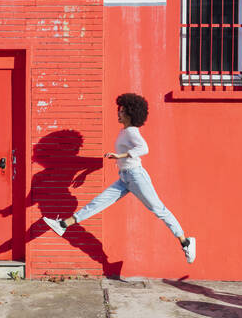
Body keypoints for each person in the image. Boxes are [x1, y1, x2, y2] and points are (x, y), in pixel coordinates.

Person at [43, 93, 196, 264]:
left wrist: (120, 155)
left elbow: (144, 148)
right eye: (119, 110)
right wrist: (86, 172)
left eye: (122, 111)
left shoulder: (131, 132)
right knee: (98, 202)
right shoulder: (123, 131)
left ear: (131, 114)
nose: (118, 113)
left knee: (158, 209)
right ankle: (63, 225)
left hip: (136, 176)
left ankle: (186, 242)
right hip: (124, 178)